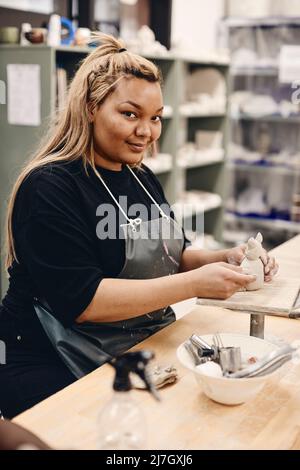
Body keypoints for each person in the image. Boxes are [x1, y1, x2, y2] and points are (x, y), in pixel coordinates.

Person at [0, 33, 278, 419]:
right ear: (91, 107)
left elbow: (172, 255)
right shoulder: (50, 186)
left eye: (155, 118)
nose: (146, 132)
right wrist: (195, 284)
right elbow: (83, 302)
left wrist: (226, 259)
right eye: (130, 114)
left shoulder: (141, 176)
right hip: (52, 356)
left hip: (130, 341)